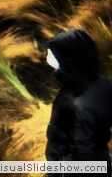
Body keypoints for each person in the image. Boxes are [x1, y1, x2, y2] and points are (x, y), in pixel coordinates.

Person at [45, 29, 112, 176]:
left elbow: (80, 149)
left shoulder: (71, 100)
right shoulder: (105, 86)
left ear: (69, 59)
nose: (48, 59)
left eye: (53, 55)